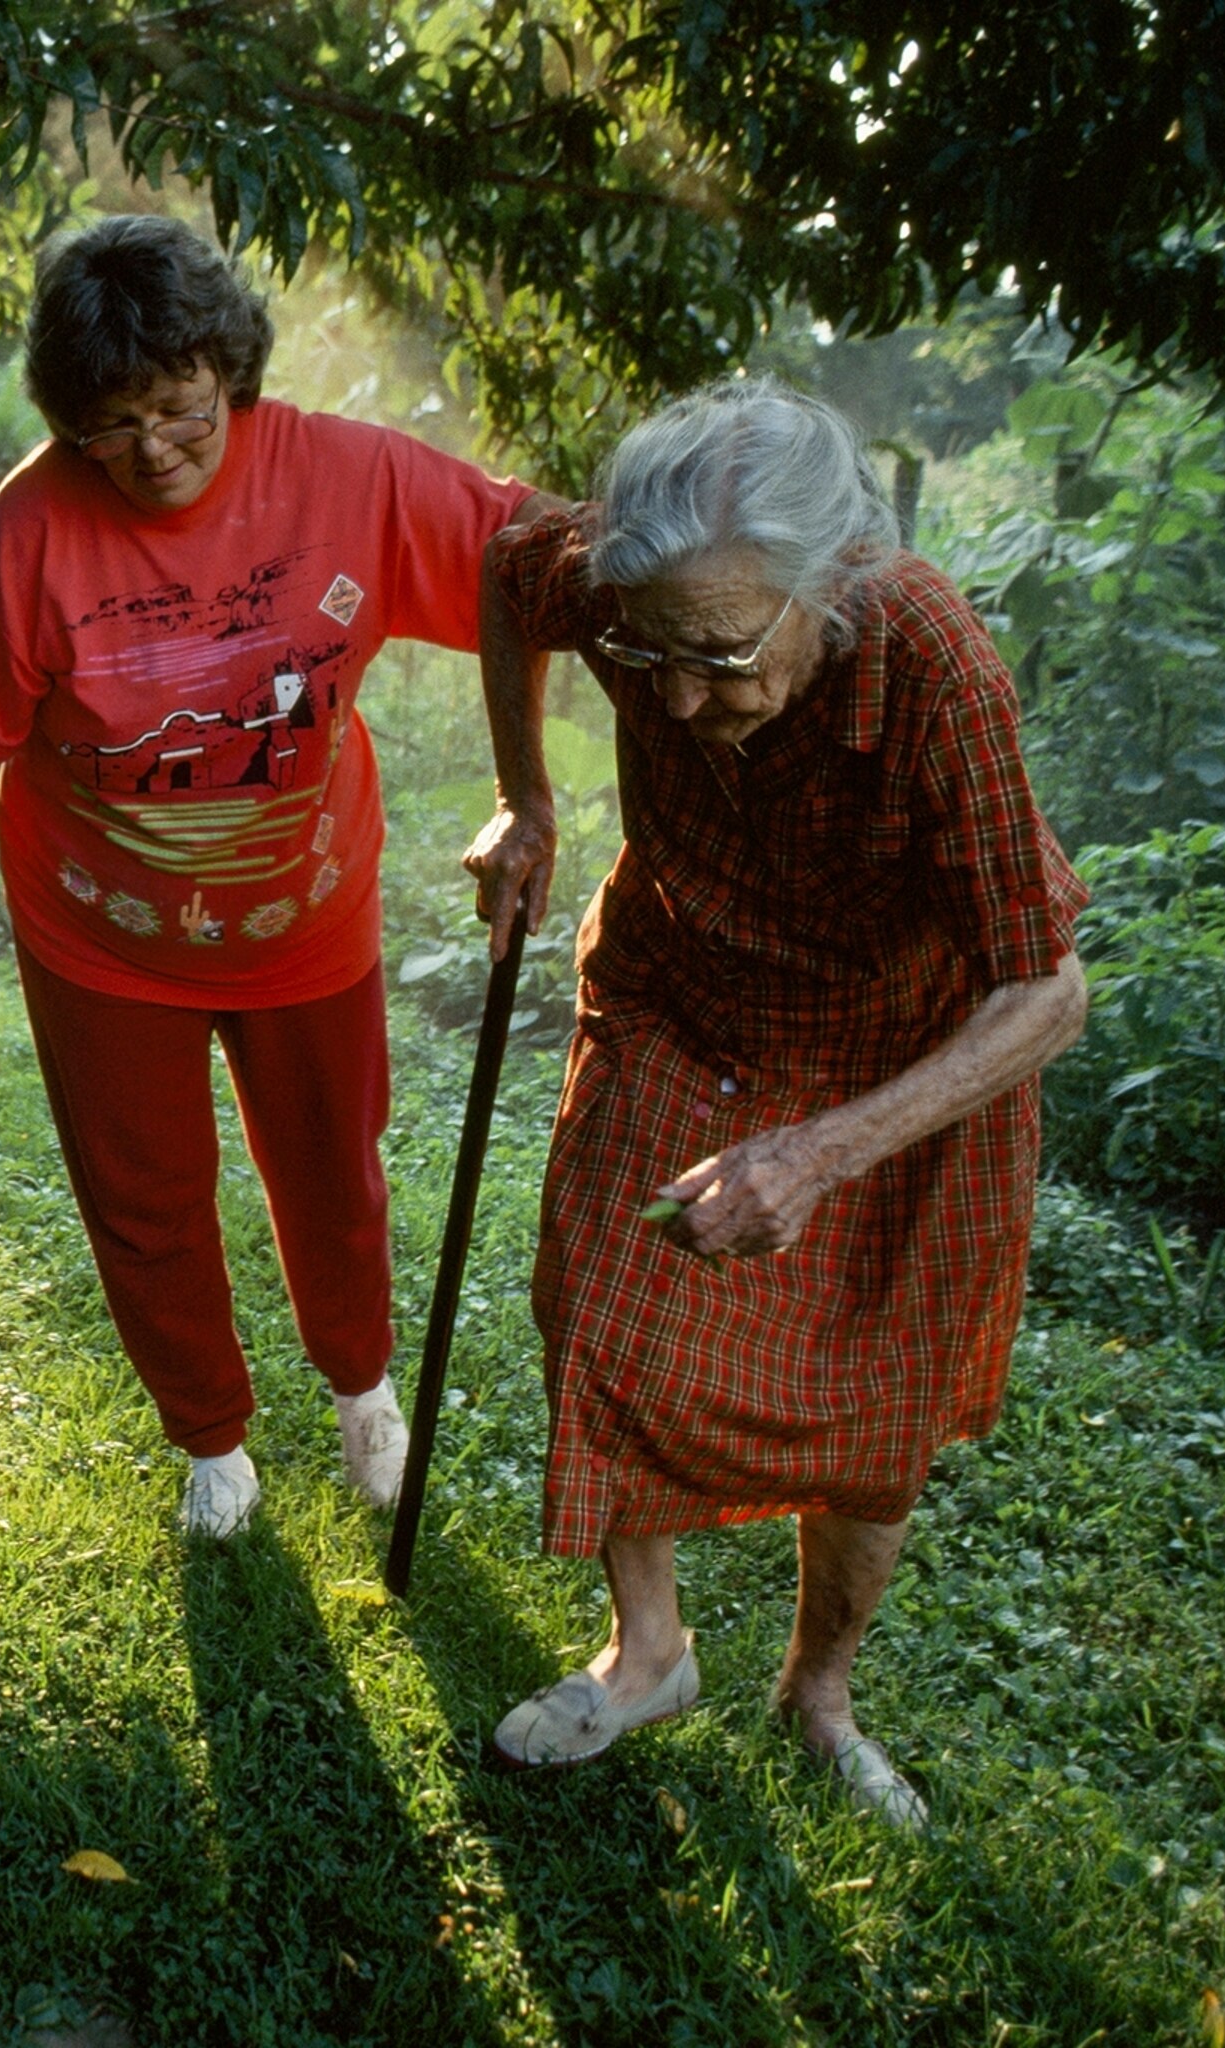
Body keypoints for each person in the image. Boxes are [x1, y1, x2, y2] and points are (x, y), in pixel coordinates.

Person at [461, 379, 1091, 1827]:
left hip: (909, 1035)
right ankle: (650, 1651)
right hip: (689, 971)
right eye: (648, 653)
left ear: (833, 588)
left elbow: (1047, 995)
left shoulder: (930, 661)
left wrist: (820, 1151)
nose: (678, 697)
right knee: (602, 1284)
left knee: (885, 1387)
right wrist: (527, 795)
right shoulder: (627, 582)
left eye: (724, 656)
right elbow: (506, 571)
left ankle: (817, 1696)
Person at [0, 214, 561, 1538]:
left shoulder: (344, 478)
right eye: (111, 423)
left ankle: (364, 1391)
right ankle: (212, 1441)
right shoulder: (28, 532)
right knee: (142, 1197)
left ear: (230, 373)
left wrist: (524, 789)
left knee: (334, 1171)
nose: (150, 448)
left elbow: (534, 563)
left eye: (180, 408)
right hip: (102, 940)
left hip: (305, 923)